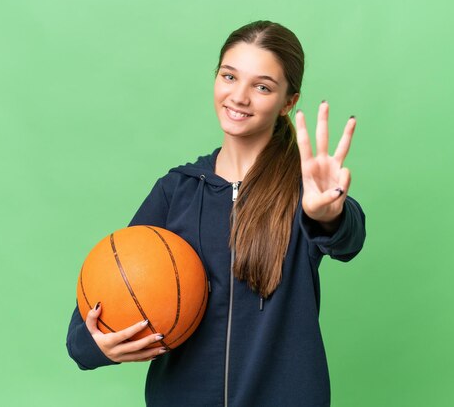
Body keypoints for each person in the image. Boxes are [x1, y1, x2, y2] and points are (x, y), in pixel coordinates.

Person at [66, 20, 366, 407]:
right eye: (229, 76)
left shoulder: (303, 192)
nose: (239, 97)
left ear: (288, 102)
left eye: (262, 86)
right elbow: (96, 307)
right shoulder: (177, 190)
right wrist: (95, 344)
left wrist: (328, 213)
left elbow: (349, 239)